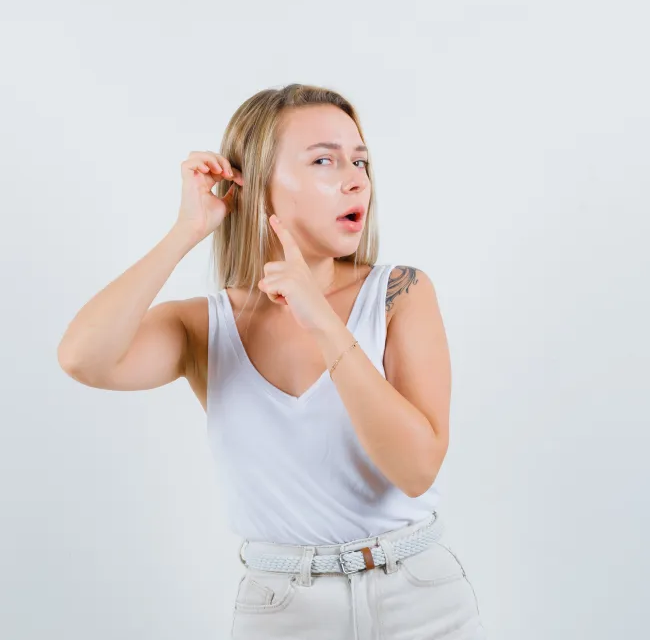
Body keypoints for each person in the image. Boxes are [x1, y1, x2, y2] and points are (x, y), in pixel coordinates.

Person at [57, 83, 487, 639]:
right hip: (283, 611)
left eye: (360, 160)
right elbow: (82, 358)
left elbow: (416, 468)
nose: (356, 178)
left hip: (423, 602)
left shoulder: (400, 293)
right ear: (257, 184)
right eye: (324, 161)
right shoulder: (201, 327)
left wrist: (323, 322)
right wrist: (187, 230)